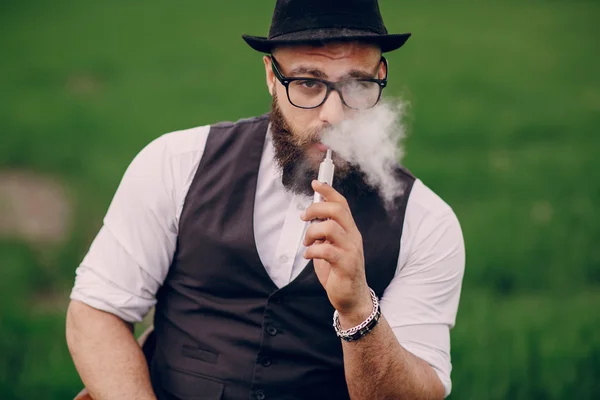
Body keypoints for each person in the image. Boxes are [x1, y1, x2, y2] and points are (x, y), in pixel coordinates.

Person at [65, 0, 465, 399]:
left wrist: (359, 308)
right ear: (272, 77)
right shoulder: (176, 164)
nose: (334, 115)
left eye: (357, 85)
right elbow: (97, 312)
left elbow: (416, 394)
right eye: (308, 82)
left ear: (381, 76)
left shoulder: (426, 222)